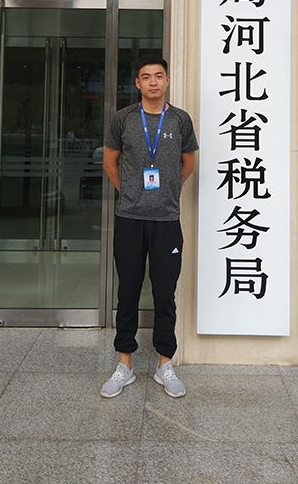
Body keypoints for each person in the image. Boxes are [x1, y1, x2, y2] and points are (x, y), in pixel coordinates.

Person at [100, 54, 198, 398]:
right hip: (130, 218)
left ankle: (165, 365)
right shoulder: (124, 119)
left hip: (166, 221)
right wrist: (131, 192)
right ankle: (124, 365)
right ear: (138, 83)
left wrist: (168, 192)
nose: (153, 81)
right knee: (127, 291)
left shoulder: (180, 119)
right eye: (146, 76)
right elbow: (110, 162)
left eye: (158, 76)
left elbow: (188, 162)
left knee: (164, 294)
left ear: (167, 81)